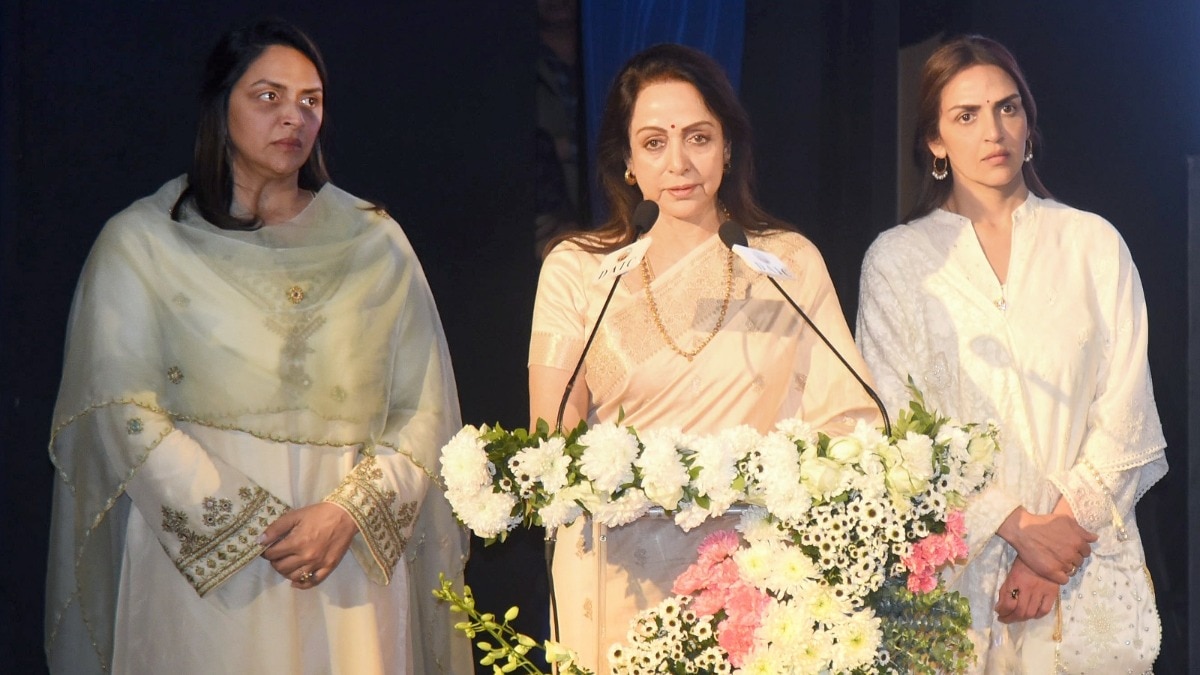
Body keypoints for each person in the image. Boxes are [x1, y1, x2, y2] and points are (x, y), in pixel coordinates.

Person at [44, 19, 470, 675]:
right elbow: (118, 409)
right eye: (268, 96)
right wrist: (246, 527)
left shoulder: (374, 243)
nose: (293, 117)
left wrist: (347, 512)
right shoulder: (143, 244)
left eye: (311, 100)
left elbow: (424, 409)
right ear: (221, 105)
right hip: (200, 565)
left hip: (344, 554)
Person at [528, 43, 881, 671]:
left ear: (727, 147)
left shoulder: (784, 264)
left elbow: (850, 418)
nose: (679, 162)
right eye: (655, 142)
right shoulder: (581, 270)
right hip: (618, 579)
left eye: (698, 136)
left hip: (754, 583)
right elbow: (550, 436)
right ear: (629, 161)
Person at [856, 35, 1168, 672]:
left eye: (1008, 108)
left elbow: (1126, 409)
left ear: (1028, 121)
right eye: (965, 116)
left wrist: (1053, 545)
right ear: (935, 141)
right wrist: (1011, 523)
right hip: (956, 569)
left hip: (1084, 563)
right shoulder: (899, 261)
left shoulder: (1092, 243)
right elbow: (890, 426)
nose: (993, 130)